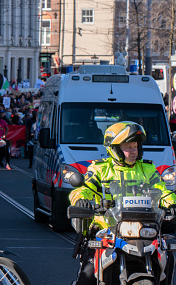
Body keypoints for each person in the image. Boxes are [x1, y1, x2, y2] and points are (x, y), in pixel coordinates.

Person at [69, 121, 176, 285]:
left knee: (167, 257)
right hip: (107, 230)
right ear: (115, 149)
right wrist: (81, 200)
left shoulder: (147, 169)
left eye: (136, 146)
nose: (134, 151)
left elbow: (162, 191)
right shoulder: (100, 169)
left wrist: (171, 204)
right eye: (129, 147)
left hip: (145, 228)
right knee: (88, 275)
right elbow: (81, 190)